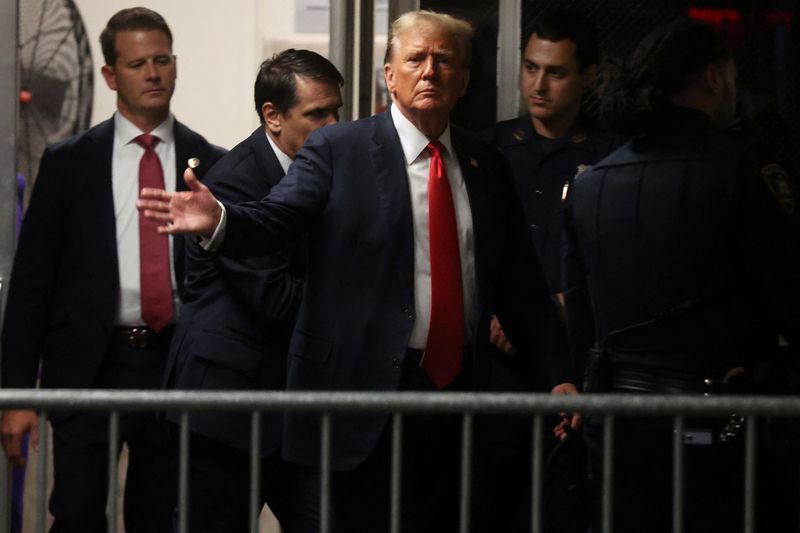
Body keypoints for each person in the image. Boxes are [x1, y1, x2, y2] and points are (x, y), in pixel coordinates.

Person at [139, 10, 578, 533]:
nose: (430, 71)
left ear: (464, 80)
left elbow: (519, 287)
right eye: (415, 59)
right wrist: (223, 222)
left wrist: (558, 375)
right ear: (389, 76)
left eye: (444, 61)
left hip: (454, 399)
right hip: (367, 394)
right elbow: (278, 217)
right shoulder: (339, 148)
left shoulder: (485, 164)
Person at [563, 19, 800, 533]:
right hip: (723, 423)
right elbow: (785, 295)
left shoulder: (590, 185)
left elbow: (581, 321)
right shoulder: (740, 169)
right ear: (715, 77)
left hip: (618, 427)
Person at [0, 8, 225, 532]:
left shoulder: (210, 161)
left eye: (162, 60)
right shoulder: (68, 162)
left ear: (175, 66)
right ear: (109, 75)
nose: (152, 73)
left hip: (174, 365)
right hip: (86, 365)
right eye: (138, 63)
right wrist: (15, 395)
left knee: (159, 515)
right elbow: (33, 282)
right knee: (77, 513)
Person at [166, 48, 342, 533]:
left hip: (292, 410)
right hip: (226, 412)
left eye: (335, 111)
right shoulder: (232, 185)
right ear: (273, 116)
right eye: (316, 114)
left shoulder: (326, 172)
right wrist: (357, 312)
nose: (332, 125)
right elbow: (275, 300)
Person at [476, 11, 617, 532]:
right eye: (530, 68)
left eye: (555, 72)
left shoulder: (610, 160)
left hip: (575, 358)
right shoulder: (486, 150)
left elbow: (619, 259)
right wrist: (490, 308)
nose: (538, 84)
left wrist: (568, 302)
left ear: (589, 77)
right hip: (493, 363)